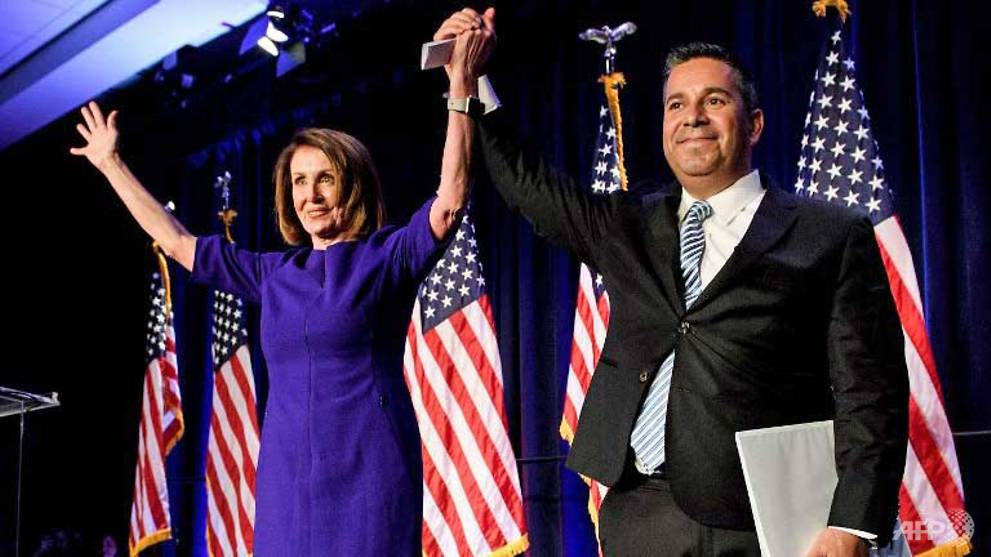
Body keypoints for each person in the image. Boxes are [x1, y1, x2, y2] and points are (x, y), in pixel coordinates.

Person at [435, 10, 908, 557]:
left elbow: (872, 396)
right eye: (676, 105)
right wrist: (470, 79)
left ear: (753, 124)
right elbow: (528, 184)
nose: (693, 118)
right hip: (640, 512)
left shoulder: (828, 235)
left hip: (761, 521)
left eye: (714, 100)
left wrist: (851, 523)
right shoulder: (629, 223)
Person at [69, 21, 494, 555]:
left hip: (372, 472)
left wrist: (460, 86)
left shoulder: (387, 257)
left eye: (324, 179)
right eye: (298, 181)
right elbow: (177, 242)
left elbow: (451, 197)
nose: (310, 195)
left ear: (352, 185)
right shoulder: (274, 275)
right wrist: (111, 163)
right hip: (287, 483)